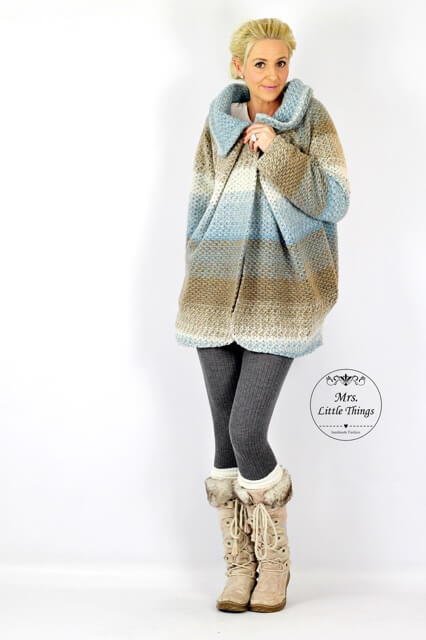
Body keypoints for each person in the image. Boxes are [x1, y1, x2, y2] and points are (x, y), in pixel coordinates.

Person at [175, 17, 350, 613]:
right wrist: (197, 264)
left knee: (247, 431)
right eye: (259, 64)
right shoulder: (217, 124)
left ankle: (274, 562)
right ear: (238, 68)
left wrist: (277, 151)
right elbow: (198, 205)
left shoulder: (310, 120)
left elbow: (335, 199)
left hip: (282, 295)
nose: (272, 74)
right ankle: (239, 566)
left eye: (281, 63)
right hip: (211, 291)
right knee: (224, 440)